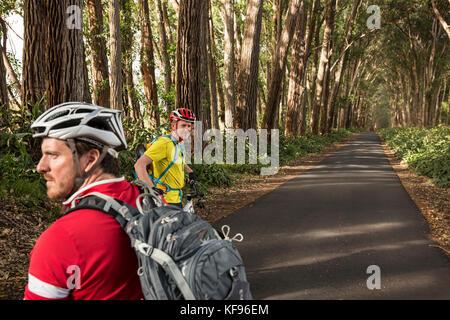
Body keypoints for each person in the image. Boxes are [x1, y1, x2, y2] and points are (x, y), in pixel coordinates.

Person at [24, 102, 144, 300]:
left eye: (52, 155)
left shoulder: (61, 239)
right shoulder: (151, 200)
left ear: (90, 160)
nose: (40, 167)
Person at [134, 108, 197, 208]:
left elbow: (176, 160)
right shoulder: (164, 143)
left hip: (176, 198)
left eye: (189, 126)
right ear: (173, 125)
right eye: (183, 125)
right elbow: (139, 165)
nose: (187, 129)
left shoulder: (177, 143)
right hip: (165, 201)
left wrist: (190, 171)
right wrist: (152, 190)